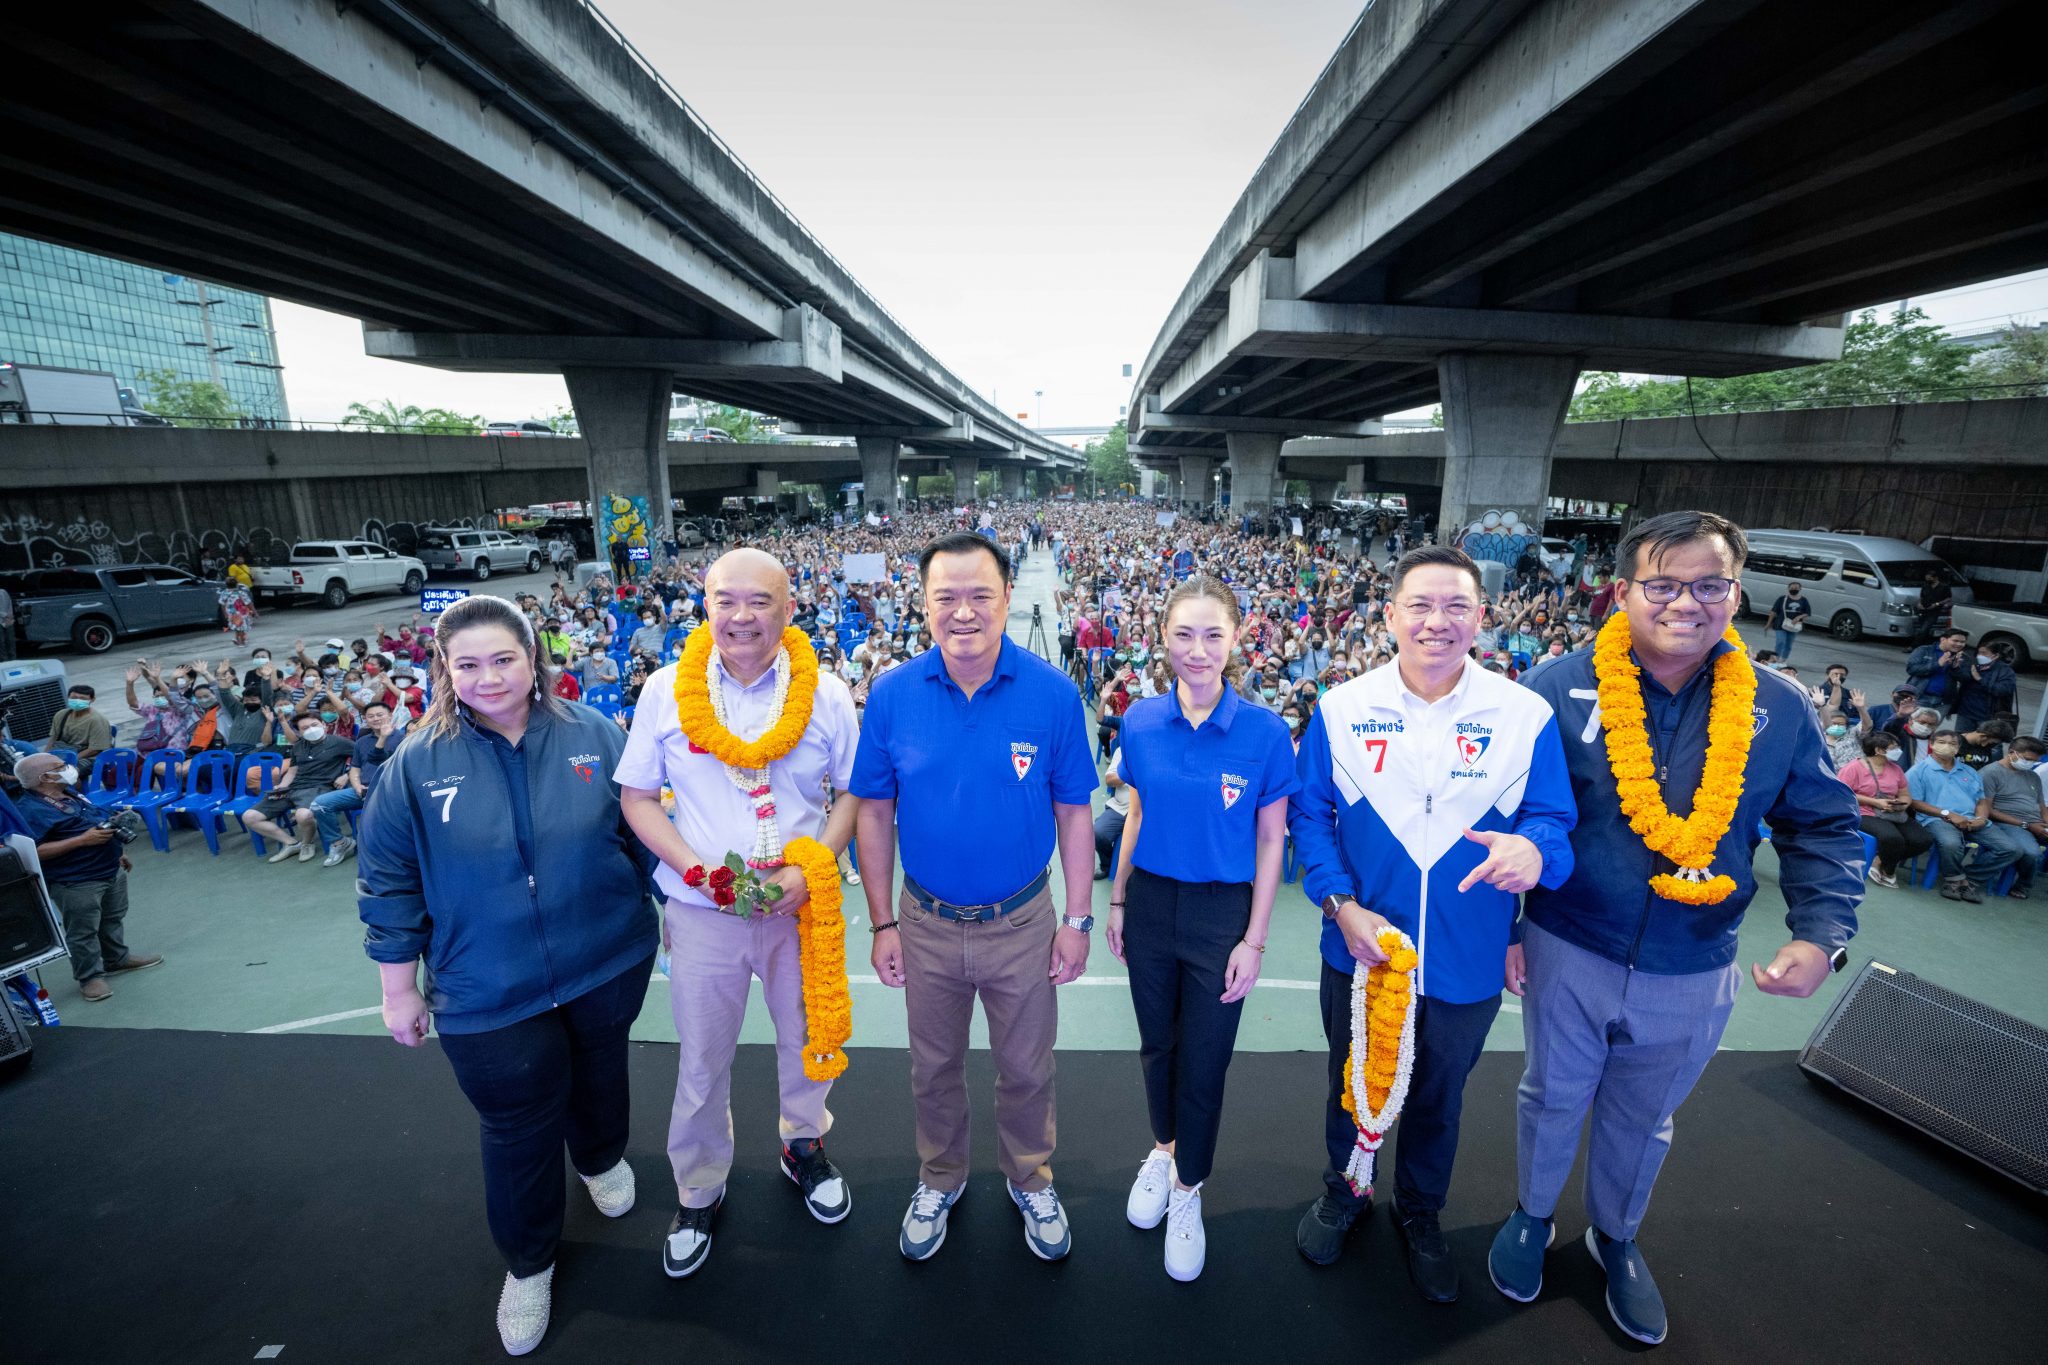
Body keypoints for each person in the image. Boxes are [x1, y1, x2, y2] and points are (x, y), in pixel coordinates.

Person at [1490, 511, 1862, 1347]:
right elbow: (1515, 815)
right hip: (1568, 939)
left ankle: (1614, 1236)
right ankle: (1532, 1215)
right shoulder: (1556, 685)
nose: (1685, 602)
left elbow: (1826, 828)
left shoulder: (1778, 706)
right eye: (1661, 583)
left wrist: (1821, 932)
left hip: (1696, 960)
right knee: (1551, 1095)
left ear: (1736, 592)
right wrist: (1510, 924)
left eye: (1708, 584)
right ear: (1622, 591)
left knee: (1644, 1115)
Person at [357, 593, 657, 1357]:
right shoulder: (415, 764)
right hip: (485, 986)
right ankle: (529, 1263)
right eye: (469, 664)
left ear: (534, 661)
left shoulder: (593, 732)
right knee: (518, 1123)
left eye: (504, 659)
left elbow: (642, 833)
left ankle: (599, 1157)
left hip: (605, 958)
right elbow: (387, 877)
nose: (489, 677)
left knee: (599, 1074)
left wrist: (698, 900)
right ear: (445, 670)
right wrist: (398, 986)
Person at [1292, 546, 1575, 1303]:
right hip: (1359, 948)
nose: (1437, 621)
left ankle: (1419, 1211)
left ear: (1482, 617)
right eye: (1419, 604)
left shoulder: (1524, 716)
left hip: (1467, 956)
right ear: (1389, 615)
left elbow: (1554, 822)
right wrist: (1339, 904)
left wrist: (1534, 852)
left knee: (1438, 1097)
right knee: (1352, 1084)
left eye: (1456, 606)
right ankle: (1346, 1190)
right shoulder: (1341, 708)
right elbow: (1310, 817)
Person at [851, 530, 1098, 1264]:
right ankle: (940, 1175)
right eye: (945, 597)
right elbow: (872, 810)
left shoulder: (1052, 693)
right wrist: (883, 920)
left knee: (1027, 1067)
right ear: (923, 604)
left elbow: (1076, 811)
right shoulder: (893, 694)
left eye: (979, 595)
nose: (963, 611)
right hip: (924, 921)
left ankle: (1029, 1176)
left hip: (1022, 921)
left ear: (1006, 596)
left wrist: (1077, 918)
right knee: (933, 1067)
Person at [616, 548, 862, 1280]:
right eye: (726, 599)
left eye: (760, 600)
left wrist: (805, 865)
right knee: (701, 1060)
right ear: (706, 606)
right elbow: (636, 796)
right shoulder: (666, 691)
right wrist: (693, 869)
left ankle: (802, 1143)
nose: (742, 615)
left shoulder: (827, 695)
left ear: (790, 609)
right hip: (703, 912)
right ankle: (698, 1187)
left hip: (798, 908)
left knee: (805, 1040)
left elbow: (850, 794)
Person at [1105, 574, 1299, 1280]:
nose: (1198, 648)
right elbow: (1136, 813)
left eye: (1213, 633)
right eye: (1184, 633)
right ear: (1162, 638)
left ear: (1237, 638)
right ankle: (1163, 1149)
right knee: (1158, 1045)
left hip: (1223, 914)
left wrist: (1254, 937)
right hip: (1152, 904)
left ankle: (1189, 1187)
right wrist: (1119, 900)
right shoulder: (1140, 720)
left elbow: (1274, 839)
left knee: (1206, 1060)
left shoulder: (1266, 730)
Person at [13, 753, 163, 1003]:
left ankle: (116, 959)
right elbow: (33, 852)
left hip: (109, 869)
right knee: (82, 930)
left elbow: (94, 821)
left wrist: (117, 852)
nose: (69, 769)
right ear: (45, 777)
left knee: (112, 917)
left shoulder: (68, 794)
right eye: (60, 766)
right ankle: (89, 977)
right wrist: (82, 841)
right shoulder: (29, 811)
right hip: (77, 881)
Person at [1907, 728, 2018, 904]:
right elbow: (1914, 802)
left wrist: (1981, 819)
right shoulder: (1918, 771)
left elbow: (1981, 801)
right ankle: (1953, 879)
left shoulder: (1969, 772)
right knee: (1951, 843)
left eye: (1952, 744)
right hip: (1937, 819)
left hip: (1971, 820)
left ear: (1959, 748)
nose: (1947, 747)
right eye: (1942, 742)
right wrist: (1948, 814)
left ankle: (1971, 880)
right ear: (1932, 744)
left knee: (2010, 849)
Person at [238, 710, 355, 863]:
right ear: (299, 732)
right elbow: (292, 771)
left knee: (303, 815)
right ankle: (292, 843)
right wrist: (281, 786)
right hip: (292, 788)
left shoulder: (340, 742)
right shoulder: (298, 746)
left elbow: (363, 759)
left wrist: (346, 775)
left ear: (324, 725)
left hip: (320, 788)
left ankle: (307, 843)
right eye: (305, 728)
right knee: (250, 817)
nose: (311, 729)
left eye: (314, 725)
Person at [311, 700, 402, 868]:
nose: (375, 719)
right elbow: (355, 768)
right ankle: (340, 843)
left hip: (389, 791)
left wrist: (383, 737)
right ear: (365, 719)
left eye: (380, 715)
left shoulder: (402, 737)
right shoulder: (362, 741)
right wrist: (357, 785)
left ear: (390, 716)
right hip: (362, 790)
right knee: (319, 805)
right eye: (370, 716)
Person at [1838, 731, 1930, 889]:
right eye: (1893, 747)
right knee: (1892, 838)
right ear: (1879, 750)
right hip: (1863, 812)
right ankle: (1889, 870)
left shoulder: (1896, 769)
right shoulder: (1854, 767)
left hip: (1893, 813)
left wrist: (1902, 803)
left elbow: (1905, 794)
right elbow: (1842, 793)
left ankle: (1879, 861)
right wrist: (1875, 802)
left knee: (1923, 839)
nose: (1898, 751)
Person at [1979, 736, 2048, 900]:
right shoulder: (1990, 773)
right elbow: (1988, 810)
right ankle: (2023, 884)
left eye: (2034, 761)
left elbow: (2041, 806)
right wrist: (2027, 825)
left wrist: (2046, 821)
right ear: (2012, 753)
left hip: (2036, 823)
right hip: (2009, 823)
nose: (2030, 764)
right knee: (2031, 853)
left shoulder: (2032, 776)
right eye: (2028, 759)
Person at [44, 684, 115, 767]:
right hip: (63, 752)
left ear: (92, 699)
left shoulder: (97, 720)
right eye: (74, 698)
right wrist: (44, 756)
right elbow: (53, 739)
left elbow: (95, 750)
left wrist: (69, 760)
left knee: (67, 773)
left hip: (89, 757)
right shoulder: (61, 715)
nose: (77, 701)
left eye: (82, 698)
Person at [1953, 642, 2017, 733]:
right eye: (1979, 653)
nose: (1980, 656)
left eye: (1984, 653)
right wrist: (1955, 667)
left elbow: (2002, 690)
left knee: (1991, 744)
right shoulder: (1974, 664)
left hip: (1989, 717)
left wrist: (1980, 679)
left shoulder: (2005, 671)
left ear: (1995, 655)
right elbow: (1962, 678)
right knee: (1961, 741)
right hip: (1966, 713)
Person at [1905, 629, 1972, 715]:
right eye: (1955, 641)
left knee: (1931, 728)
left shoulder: (1963, 658)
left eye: (1962, 642)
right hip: (1919, 698)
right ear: (1943, 639)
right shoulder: (1924, 650)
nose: (1959, 644)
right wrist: (1938, 664)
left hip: (1942, 703)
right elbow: (1912, 669)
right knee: (1910, 726)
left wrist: (1955, 668)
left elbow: (1966, 678)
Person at [1093, 746, 1129, 880]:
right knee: (1098, 832)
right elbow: (1109, 780)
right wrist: (1130, 772)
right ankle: (1107, 864)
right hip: (1121, 806)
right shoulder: (1123, 750)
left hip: (1148, 810)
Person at [1765, 580, 1811, 660]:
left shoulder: (1803, 600)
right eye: (1792, 587)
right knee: (1780, 642)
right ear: (1788, 588)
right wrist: (1768, 624)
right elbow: (1773, 612)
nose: (1794, 589)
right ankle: (1776, 659)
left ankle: (1783, 660)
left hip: (1794, 626)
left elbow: (1807, 612)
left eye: (1796, 588)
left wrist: (1799, 617)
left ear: (1800, 589)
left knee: (1788, 645)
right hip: (1780, 624)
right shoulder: (1782, 599)